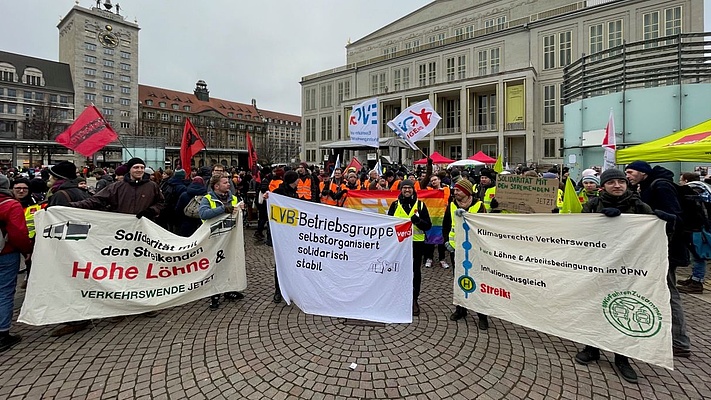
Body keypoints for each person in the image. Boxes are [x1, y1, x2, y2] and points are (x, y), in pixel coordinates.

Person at [574, 168, 654, 384]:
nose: (617, 186)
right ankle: (592, 348)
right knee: (594, 307)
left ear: (627, 185)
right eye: (612, 182)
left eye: (621, 182)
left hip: (628, 269)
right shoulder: (592, 206)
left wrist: (665, 222)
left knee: (623, 310)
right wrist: (601, 221)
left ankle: (622, 357)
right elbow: (579, 232)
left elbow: (654, 237)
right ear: (604, 186)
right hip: (598, 266)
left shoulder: (639, 206)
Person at [625, 160, 691, 358]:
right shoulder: (645, 186)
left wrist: (662, 216)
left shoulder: (660, 186)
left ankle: (680, 342)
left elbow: (677, 218)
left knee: (669, 293)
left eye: (630, 171)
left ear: (643, 173)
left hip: (666, 251)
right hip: (656, 249)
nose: (627, 175)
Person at [443, 178, 489, 329]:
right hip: (456, 249)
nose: (454, 192)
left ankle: (482, 315)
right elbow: (447, 225)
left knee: (478, 280)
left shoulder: (479, 206)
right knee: (459, 280)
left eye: (458, 190)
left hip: (474, 251)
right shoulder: (451, 205)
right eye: (454, 190)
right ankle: (460, 309)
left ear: (467, 191)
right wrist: (447, 243)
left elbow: (485, 228)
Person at [198, 173, 245, 309]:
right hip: (215, 239)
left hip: (231, 238)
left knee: (230, 263)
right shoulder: (207, 199)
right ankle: (215, 294)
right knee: (216, 266)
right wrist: (223, 209)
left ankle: (229, 289)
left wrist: (242, 210)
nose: (228, 185)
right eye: (225, 183)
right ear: (216, 186)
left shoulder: (234, 198)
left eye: (228, 182)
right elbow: (203, 214)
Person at [387, 179, 432, 316]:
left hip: (416, 243)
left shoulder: (421, 205)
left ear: (413, 189)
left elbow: (428, 226)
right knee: (398, 270)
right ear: (400, 190)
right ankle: (397, 298)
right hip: (399, 245)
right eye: (404, 188)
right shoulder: (395, 205)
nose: (407, 190)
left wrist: (418, 221)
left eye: (409, 188)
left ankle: (414, 299)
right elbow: (388, 225)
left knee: (415, 272)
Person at [0, 174, 33, 352]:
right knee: (4, 292)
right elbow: (19, 233)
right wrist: (26, 250)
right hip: (5, 254)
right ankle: (2, 333)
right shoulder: (11, 205)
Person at [266, 170, 300, 303]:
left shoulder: (294, 193)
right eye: (297, 179)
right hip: (281, 235)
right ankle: (278, 290)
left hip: (292, 234)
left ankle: (290, 289)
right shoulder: (278, 194)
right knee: (280, 263)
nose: (299, 181)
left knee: (292, 263)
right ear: (293, 180)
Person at [11, 178, 42, 289]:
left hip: (31, 242)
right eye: (18, 188)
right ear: (12, 189)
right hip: (9, 243)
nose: (21, 191)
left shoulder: (36, 203)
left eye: (25, 188)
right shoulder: (7, 203)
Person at [424, 174, 451, 269]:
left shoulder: (446, 190)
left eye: (435, 180)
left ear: (439, 180)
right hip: (431, 217)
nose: (433, 182)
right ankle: (429, 258)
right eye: (432, 181)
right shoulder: (428, 191)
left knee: (441, 240)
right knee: (430, 240)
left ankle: (442, 259)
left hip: (442, 218)